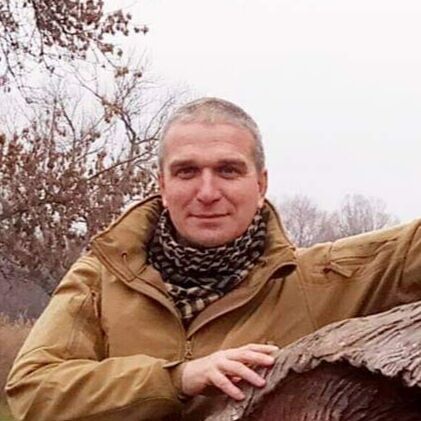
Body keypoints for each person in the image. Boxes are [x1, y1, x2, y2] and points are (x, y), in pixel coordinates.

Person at [5, 98, 421, 420]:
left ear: (261, 184)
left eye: (228, 171)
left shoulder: (316, 279)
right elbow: (32, 391)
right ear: (162, 185)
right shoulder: (102, 276)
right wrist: (178, 378)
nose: (207, 192)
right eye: (187, 172)